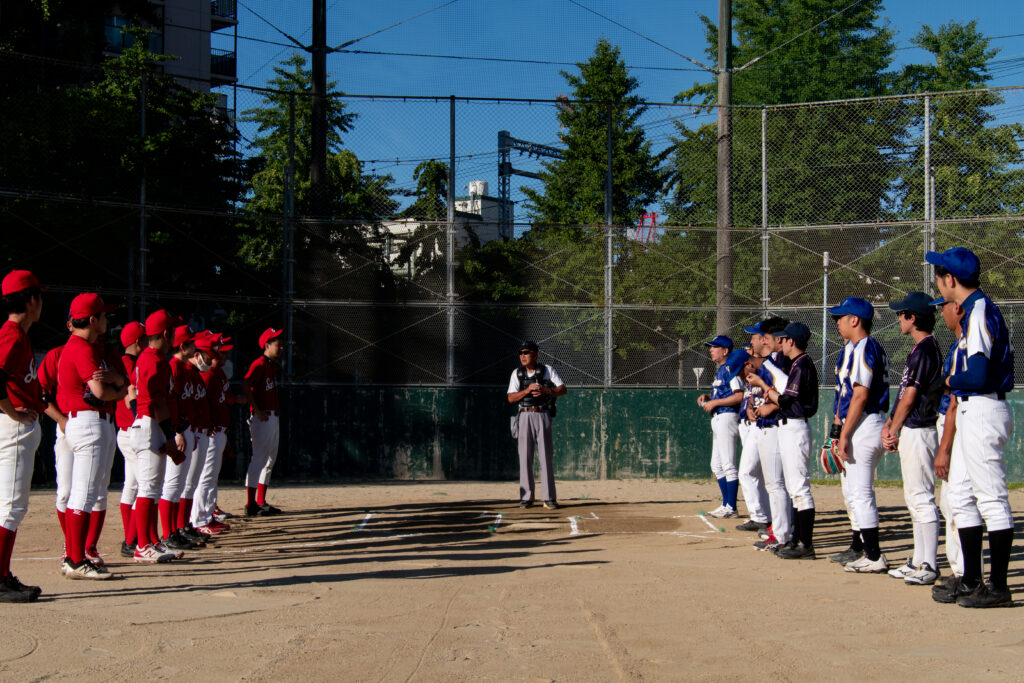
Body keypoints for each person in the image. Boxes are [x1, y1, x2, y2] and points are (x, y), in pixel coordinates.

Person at [926, 247, 1015, 608]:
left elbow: (977, 375)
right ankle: (971, 579)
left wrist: (946, 380)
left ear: (951, 279)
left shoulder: (978, 311)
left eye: (939, 275)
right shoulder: (977, 311)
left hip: (982, 408)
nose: (938, 281)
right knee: (959, 497)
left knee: (991, 498)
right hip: (969, 410)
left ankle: (998, 588)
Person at [56, 292, 123, 579]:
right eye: (103, 316)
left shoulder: (81, 346)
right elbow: (99, 392)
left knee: (87, 493)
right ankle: (74, 559)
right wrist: (120, 390)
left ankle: (76, 556)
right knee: (83, 494)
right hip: (88, 422)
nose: (106, 320)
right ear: (93, 320)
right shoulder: (81, 347)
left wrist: (117, 384)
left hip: (86, 422)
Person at [881, 292, 942, 585]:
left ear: (913, 317)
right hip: (914, 428)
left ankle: (929, 564)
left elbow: (911, 396)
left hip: (920, 429)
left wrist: (894, 428)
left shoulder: (925, 349)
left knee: (921, 497)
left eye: (901, 313)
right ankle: (919, 560)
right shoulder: (921, 348)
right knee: (913, 496)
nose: (898, 318)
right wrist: (891, 424)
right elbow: (905, 394)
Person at [828, 297, 891, 574]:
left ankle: (874, 556)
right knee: (855, 493)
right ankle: (865, 551)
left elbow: (861, 394)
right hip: (863, 424)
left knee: (861, 493)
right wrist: (837, 433)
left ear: (856, 320)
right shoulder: (857, 347)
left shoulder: (866, 346)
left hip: (865, 424)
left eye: (841, 317)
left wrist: (844, 434)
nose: (837, 322)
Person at [747, 322, 819, 559]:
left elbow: (788, 400)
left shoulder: (803, 363)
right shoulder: (798, 363)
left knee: (800, 489)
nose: (780, 341)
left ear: (791, 341)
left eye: (784, 338)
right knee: (794, 489)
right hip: (789, 427)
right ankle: (797, 540)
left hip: (796, 427)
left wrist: (768, 391)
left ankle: (805, 545)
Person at [0, 270, 46, 602]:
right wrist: (14, 412)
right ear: (31, 300)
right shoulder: (13, 335)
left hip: (15, 424)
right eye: (39, 297)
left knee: (10, 506)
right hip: (12, 426)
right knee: (12, 507)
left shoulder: (20, 335)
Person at [129, 309, 184, 563]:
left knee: (151, 487)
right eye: (172, 330)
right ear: (165, 333)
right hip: (151, 424)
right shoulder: (156, 360)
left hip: (148, 424)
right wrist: (170, 437)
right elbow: (159, 402)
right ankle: (142, 545)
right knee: (148, 488)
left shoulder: (147, 357)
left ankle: (150, 541)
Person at [931, 296, 965, 594]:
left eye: (945, 306)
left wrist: (944, 447)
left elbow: (955, 400)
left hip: (956, 422)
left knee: (959, 502)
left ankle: (964, 572)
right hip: (950, 420)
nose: (942, 312)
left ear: (958, 308)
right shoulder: (957, 344)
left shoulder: (965, 344)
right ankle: (960, 570)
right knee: (949, 502)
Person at [507, 341, 567, 509]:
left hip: (542, 413)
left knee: (546, 456)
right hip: (524, 415)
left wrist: (547, 391)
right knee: (525, 456)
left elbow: (563, 389)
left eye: (527, 352)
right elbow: (511, 397)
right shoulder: (517, 373)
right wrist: (527, 390)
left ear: (536, 354)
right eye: (521, 353)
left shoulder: (547, 370)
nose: (523, 356)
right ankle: (526, 497)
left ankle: (548, 497)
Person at [160, 324, 199, 550]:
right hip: (178, 431)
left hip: (185, 429)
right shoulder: (173, 367)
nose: (195, 347)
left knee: (179, 484)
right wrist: (177, 432)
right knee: (172, 485)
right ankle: (168, 533)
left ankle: (175, 529)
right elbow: (169, 403)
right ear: (183, 346)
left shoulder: (182, 368)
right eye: (191, 343)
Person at [697, 335, 743, 518]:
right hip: (718, 417)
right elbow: (724, 392)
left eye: (715, 347)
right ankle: (726, 504)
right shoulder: (721, 370)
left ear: (725, 351)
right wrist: (709, 397)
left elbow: (739, 395)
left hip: (727, 417)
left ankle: (731, 507)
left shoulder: (731, 369)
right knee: (716, 465)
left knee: (728, 464)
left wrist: (715, 403)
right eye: (711, 347)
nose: (711, 350)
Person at [193, 332, 234, 535]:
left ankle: (206, 516)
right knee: (205, 477)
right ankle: (199, 520)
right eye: (219, 352)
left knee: (211, 477)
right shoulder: (207, 375)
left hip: (218, 430)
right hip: (210, 432)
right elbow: (204, 405)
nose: (223, 356)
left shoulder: (217, 374)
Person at [243, 328, 284, 516]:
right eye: (278, 344)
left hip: (272, 417)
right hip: (263, 418)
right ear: (267, 345)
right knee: (258, 459)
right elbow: (245, 384)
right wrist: (256, 410)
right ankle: (250, 503)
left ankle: (261, 501)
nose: (281, 347)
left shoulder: (271, 366)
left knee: (269, 460)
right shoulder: (259, 364)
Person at [735, 323, 770, 533]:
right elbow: (750, 390)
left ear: (764, 338)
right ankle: (763, 516)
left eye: (754, 337)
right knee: (754, 473)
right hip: (753, 421)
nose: (751, 341)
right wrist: (748, 405)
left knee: (751, 472)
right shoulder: (754, 364)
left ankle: (763, 517)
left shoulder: (770, 364)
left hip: (766, 424)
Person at [115, 321, 146, 557]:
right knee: (141, 484)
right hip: (131, 429)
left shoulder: (124, 362)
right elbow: (129, 398)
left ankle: (129, 536)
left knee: (131, 485)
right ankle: (130, 539)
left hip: (125, 430)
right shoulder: (130, 365)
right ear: (138, 342)